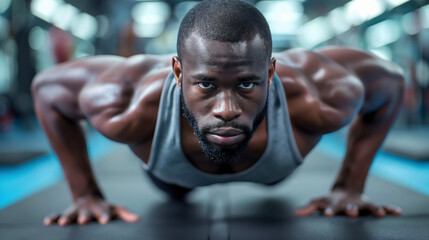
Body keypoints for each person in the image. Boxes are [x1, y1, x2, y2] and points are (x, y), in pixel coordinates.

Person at [32, 0, 404, 226]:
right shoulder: (126, 98)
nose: (227, 111)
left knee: (271, 181)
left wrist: (349, 187)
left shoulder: (318, 92)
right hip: (172, 179)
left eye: (246, 84)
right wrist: (85, 194)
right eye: (206, 84)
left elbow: (391, 83)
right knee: (173, 191)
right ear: (178, 73)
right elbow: (47, 90)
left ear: (271, 72)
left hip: (275, 174)